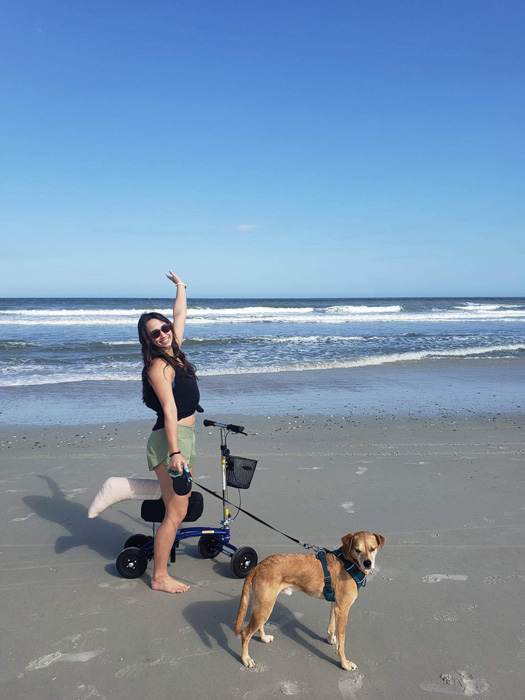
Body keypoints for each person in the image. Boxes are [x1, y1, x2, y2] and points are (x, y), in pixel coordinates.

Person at [133, 270, 200, 593]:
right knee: (176, 509)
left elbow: (180, 313)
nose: (162, 334)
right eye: (154, 334)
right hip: (168, 441)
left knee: (177, 504)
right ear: (148, 341)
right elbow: (170, 411)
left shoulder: (174, 351)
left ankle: (126, 488)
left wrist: (181, 286)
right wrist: (174, 453)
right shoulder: (158, 366)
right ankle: (159, 576)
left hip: (183, 439)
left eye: (164, 328)